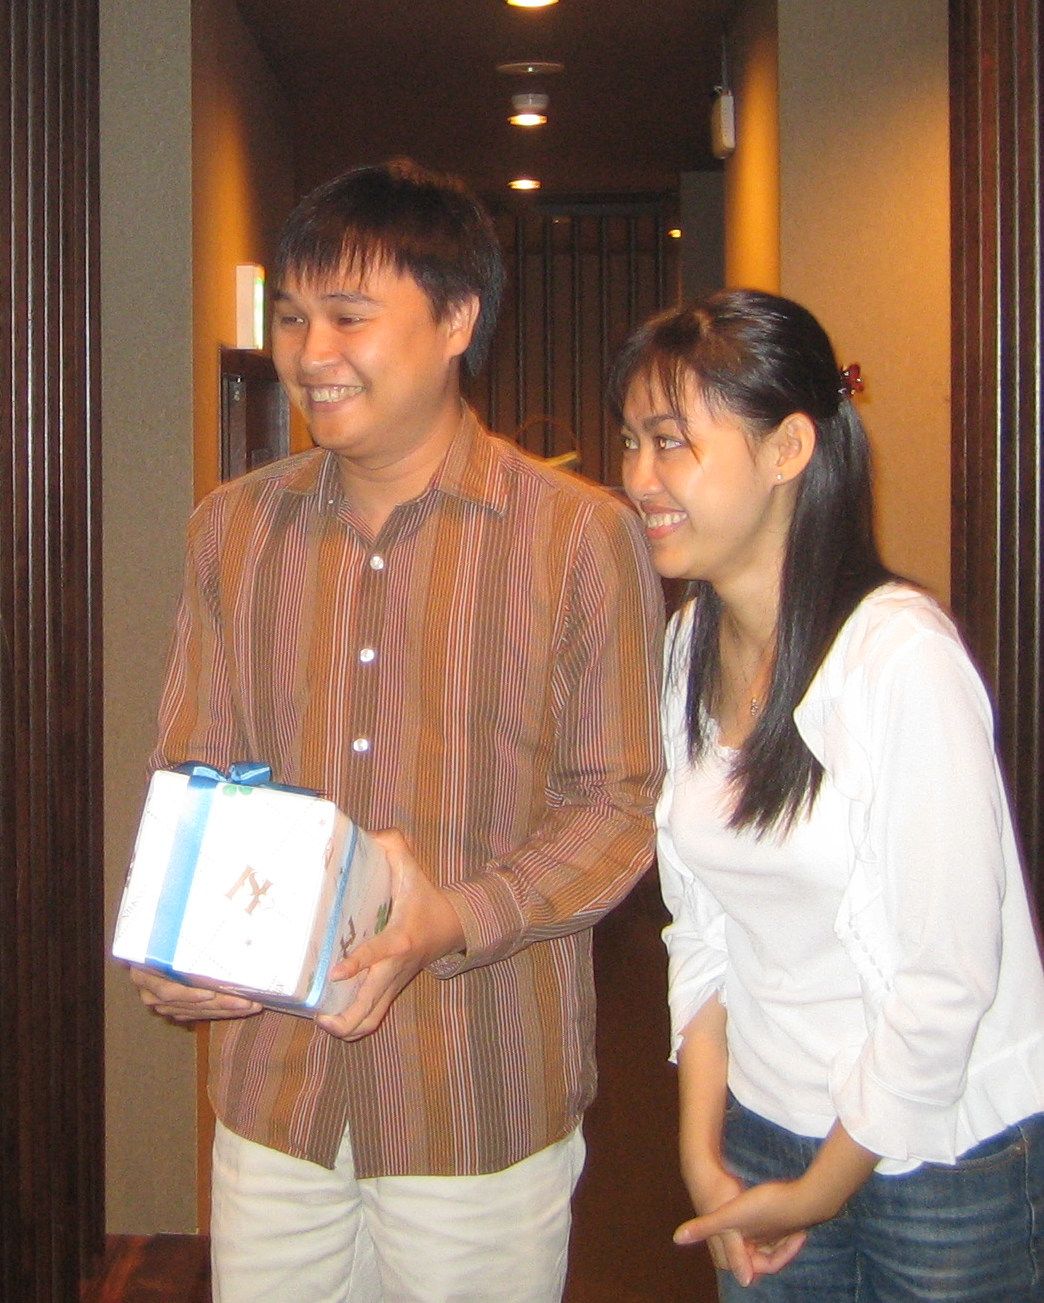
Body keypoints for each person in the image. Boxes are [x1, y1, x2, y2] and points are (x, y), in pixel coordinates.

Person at [130, 160, 664, 1303]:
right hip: (275, 1098)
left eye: (348, 316)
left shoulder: (578, 538)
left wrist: (451, 919)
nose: (309, 351)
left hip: (474, 1097)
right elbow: (195, 770)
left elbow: (618, 806)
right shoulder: (232, 532)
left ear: (457, 318)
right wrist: (177, 940)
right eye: (290, 317)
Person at [612, 289, 1044, 1301]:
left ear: (788, 448)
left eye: (671, 443)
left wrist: (820, 1190)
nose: (639, 478)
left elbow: (945, 978)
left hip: (944, 1157)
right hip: (761, 1131)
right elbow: (701, 929)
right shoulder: (687, 646)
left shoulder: (899, 656)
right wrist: (703, 1152)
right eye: (631, 443)